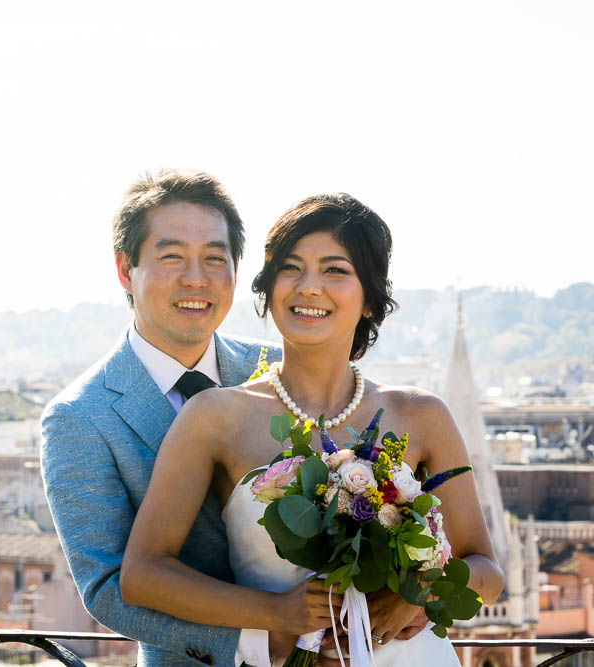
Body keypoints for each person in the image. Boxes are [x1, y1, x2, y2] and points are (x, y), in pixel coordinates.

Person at [120, 193, 506, 665]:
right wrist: (279, 613)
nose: (308, 287)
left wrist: (421, 592)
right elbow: (142, 575)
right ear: (268, 289)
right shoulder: (213, 416)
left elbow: (487, 572)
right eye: (291, 268)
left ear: (370, 298)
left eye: (335, 270)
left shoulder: (422, 415)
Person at [42, 169, 311, 666]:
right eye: (172, 257)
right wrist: (257, 641)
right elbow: (106, 586)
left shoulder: (281, 371)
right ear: (126, 270)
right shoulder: (79, 418)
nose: (197, 278)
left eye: (215, 258)